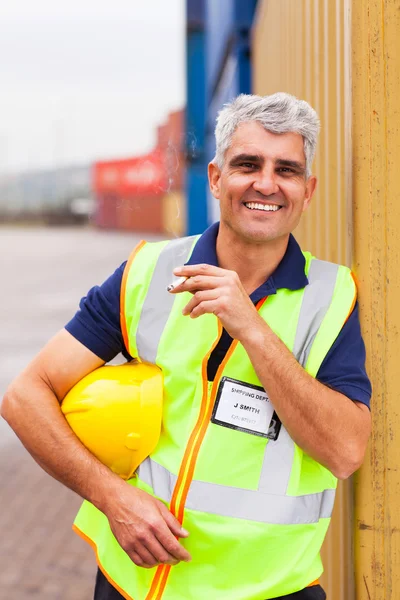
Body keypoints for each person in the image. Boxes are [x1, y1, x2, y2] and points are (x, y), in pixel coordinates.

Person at [1, 93, 372, 600]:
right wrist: (112, 497)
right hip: (131, 583)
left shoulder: (334, 298)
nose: (266, 183)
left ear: (307, 191)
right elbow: (24, 397)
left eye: (286, 170)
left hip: (265, 590)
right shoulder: (147, 272)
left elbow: (346, 450)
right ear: (217, 178)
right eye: (248, 165)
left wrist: (253, 329)